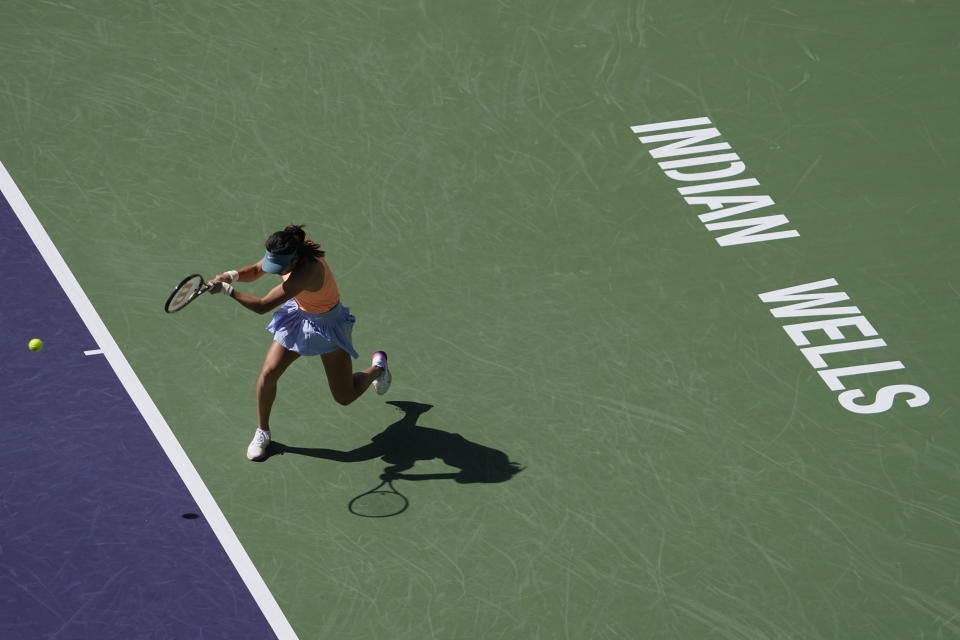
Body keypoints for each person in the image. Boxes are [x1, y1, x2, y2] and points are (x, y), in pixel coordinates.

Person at [207, 224, 390, 461]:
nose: (275, 270)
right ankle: (263, 432)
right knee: (268, 373)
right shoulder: (287, 247)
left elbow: (262, 306)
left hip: (327, 326)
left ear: (295, 259)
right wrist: (230, 275)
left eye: (280, 267)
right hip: (299, 315)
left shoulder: (307, 272)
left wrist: (226, 290)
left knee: (344, 396)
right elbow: (254, 269)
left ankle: (378, 369)